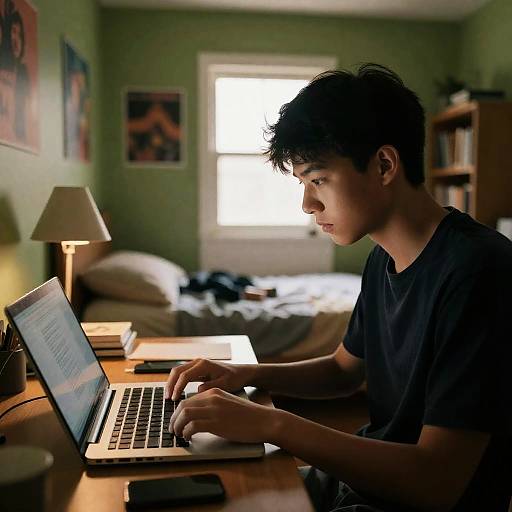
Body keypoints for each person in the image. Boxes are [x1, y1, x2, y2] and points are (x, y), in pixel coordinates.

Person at [165, 63, 512, 512]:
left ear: (384, 164)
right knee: (207, 490)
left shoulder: (479, 271)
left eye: (318, 179)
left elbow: (437, 481)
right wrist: (249, 374)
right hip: (363, 483)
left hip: (410, 500)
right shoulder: (381, 257)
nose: (307, 204)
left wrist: (274, 424)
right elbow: (344, 370)